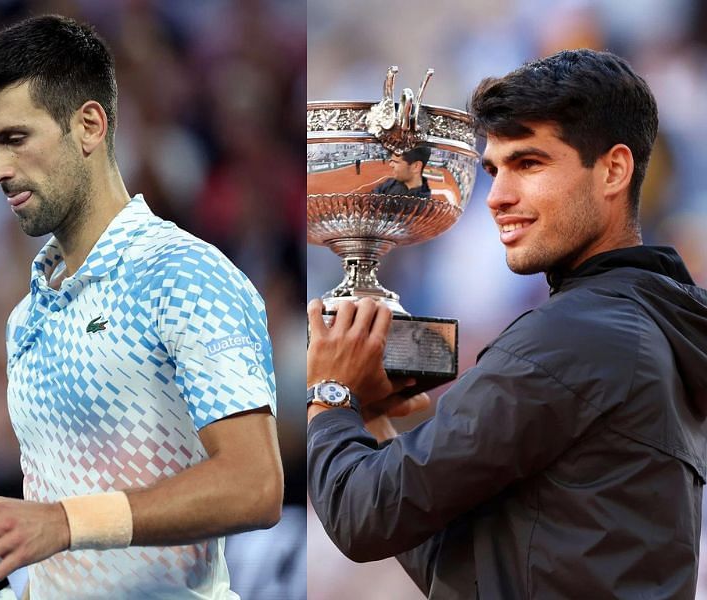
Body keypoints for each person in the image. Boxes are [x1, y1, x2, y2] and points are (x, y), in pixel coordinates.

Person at [303, 48, 707, 598]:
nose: (496, 197)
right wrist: (372, 420)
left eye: (529, 163)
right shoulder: (651, 325)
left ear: (614, 170)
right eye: (493, 169)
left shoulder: (576, 336)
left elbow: (361, 516)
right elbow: (475, 571)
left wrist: (329, 393)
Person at [0, 15, 283, 599]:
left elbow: (256, 484)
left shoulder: (183, 274)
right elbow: (58, 546)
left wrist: (64, 523)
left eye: (15, 139)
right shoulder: (26, 318)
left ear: (89, 126)